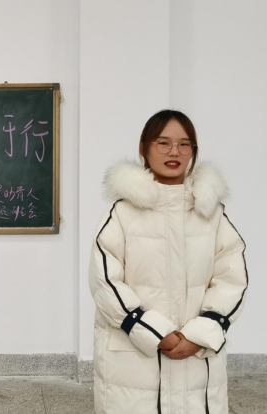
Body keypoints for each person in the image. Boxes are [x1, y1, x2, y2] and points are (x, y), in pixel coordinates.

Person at [88, 109, 248, 414]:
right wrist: (155, 333)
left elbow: (232, 279)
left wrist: (199, 334)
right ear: (143, 148)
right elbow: (105, 282)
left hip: (196, 359)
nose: (174, 152)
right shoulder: (121, 214)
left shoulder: (212, 215)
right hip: (134, 363)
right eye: (163, 143)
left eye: (184, 144)